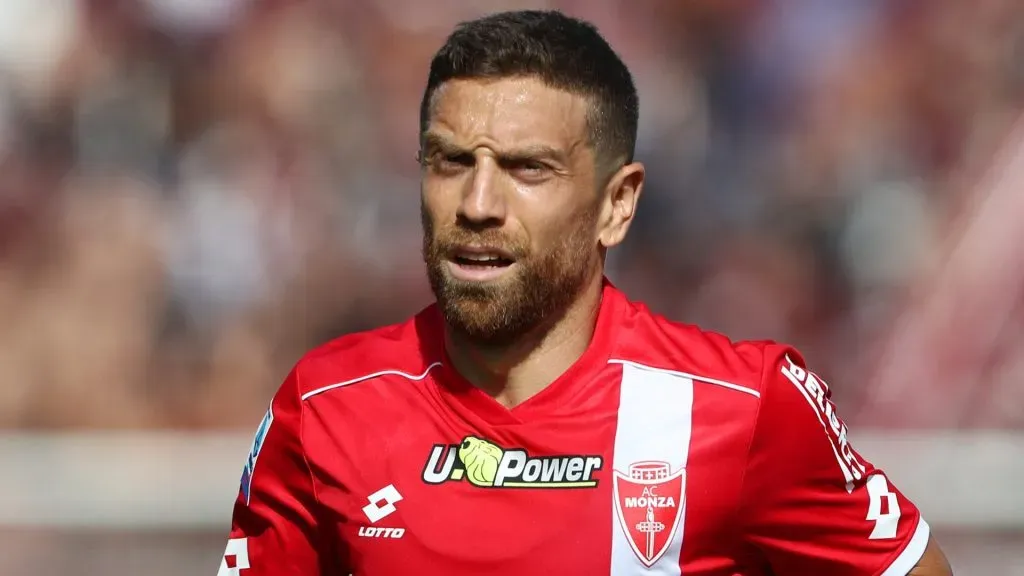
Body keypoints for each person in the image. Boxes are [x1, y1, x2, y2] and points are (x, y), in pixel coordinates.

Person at [217, 10, 953, 576]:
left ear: (617, 205)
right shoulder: (325, 407)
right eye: (449, 162)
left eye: (527, 169)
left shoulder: (744, 405)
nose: (477, 202)